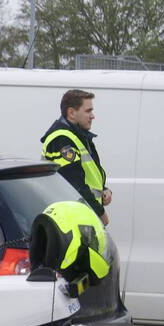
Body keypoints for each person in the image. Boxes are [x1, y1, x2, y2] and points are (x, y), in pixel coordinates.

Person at [40, 89, 112, 225]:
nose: (92, 116)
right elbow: (74, 185)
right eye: (88, 111)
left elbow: (88, 176)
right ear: (72, 113)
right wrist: (100, 213)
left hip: (80, 214)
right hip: (73, 218)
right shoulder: (62, 139)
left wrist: (103, 189)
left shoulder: (78, 136)